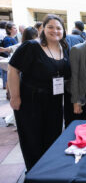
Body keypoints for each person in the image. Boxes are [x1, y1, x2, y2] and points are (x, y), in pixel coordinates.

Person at [8, 14, 71, 171]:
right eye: (50, 27)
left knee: (52, 138)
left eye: (58, 28)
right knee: (32, 140)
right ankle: (34, 173)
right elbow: (12, 69)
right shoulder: (31, 46)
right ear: (43, 29)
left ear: (63, 31)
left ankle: (47, 172)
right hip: (31, 102)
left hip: (54, 102)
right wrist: (15, 97)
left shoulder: (64, 48)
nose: (54, 31)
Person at [2, 22, 18, 91]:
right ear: (9, 30)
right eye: (14, 28)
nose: (16, 30)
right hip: (7, 61)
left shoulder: (12, 38)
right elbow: (7, 51)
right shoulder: (8, 39)